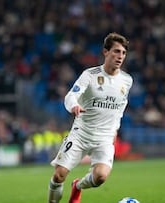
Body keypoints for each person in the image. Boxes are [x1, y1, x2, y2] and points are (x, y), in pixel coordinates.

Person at [47, 32, 132, 203]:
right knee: (59, 175)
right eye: (116, 51)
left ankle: (77, 187)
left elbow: (120, 107)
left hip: (105, 138)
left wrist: (115, 129)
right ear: (105, 52)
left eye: (123, 53)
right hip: (81, 134)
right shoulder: (90, 75)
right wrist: (74, 106)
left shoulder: (127, 80)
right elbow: (70, 96)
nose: (120, 56)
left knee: (100, 177)